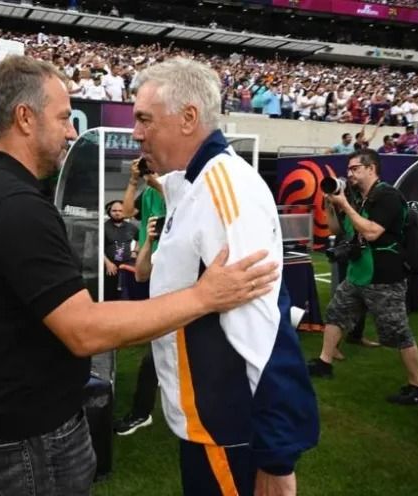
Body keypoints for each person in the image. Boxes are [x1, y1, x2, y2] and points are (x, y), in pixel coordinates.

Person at [0, 55, 279, 496]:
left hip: (16, 422)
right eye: (64, 117)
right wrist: (203, 297)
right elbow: (83, 330)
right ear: (24, 118)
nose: (70, 131)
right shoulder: (14, 205)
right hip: (32, 433)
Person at [131, 57, 319, 496]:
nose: (137, 132)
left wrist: (277, 454)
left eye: (144, 119)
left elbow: (264, 325)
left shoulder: (223, 188)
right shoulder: (192, 185)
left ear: (188, 118)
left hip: (229, 429)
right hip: (207, 423)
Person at [307, 150, 418, 405]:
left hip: (384, 275)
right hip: (357, 272)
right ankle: (324, 363)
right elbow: (336, 230)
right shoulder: (353, 196)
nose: (349, 174)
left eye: (355, 169)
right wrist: (332, 206)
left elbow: (372, 232)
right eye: (349, 169)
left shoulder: (387, 196)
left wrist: (345, 206)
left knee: (398, 332)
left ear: (371, 168)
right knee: (336, 314)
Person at [113, 159, 167, 436]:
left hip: (174, 272)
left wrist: (159, 183)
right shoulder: (149, 193)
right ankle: (143, 410)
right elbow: (129, 210)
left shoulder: (175, 188)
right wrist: (135, 181)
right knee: (161, 345)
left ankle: (141, 411)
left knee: (160, 348)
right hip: (151, 267)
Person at [103, 200, 138, 302]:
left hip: (127, 266)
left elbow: (140, 239)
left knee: (126, 295)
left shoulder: (131, 227)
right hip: (110, 268)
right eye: (114, 210)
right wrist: (107, 263)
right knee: (110, 295)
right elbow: (97, 247)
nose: (117, 213)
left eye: (120, 210)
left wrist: (135, 251)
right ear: (109, 212)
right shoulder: (103, 227)